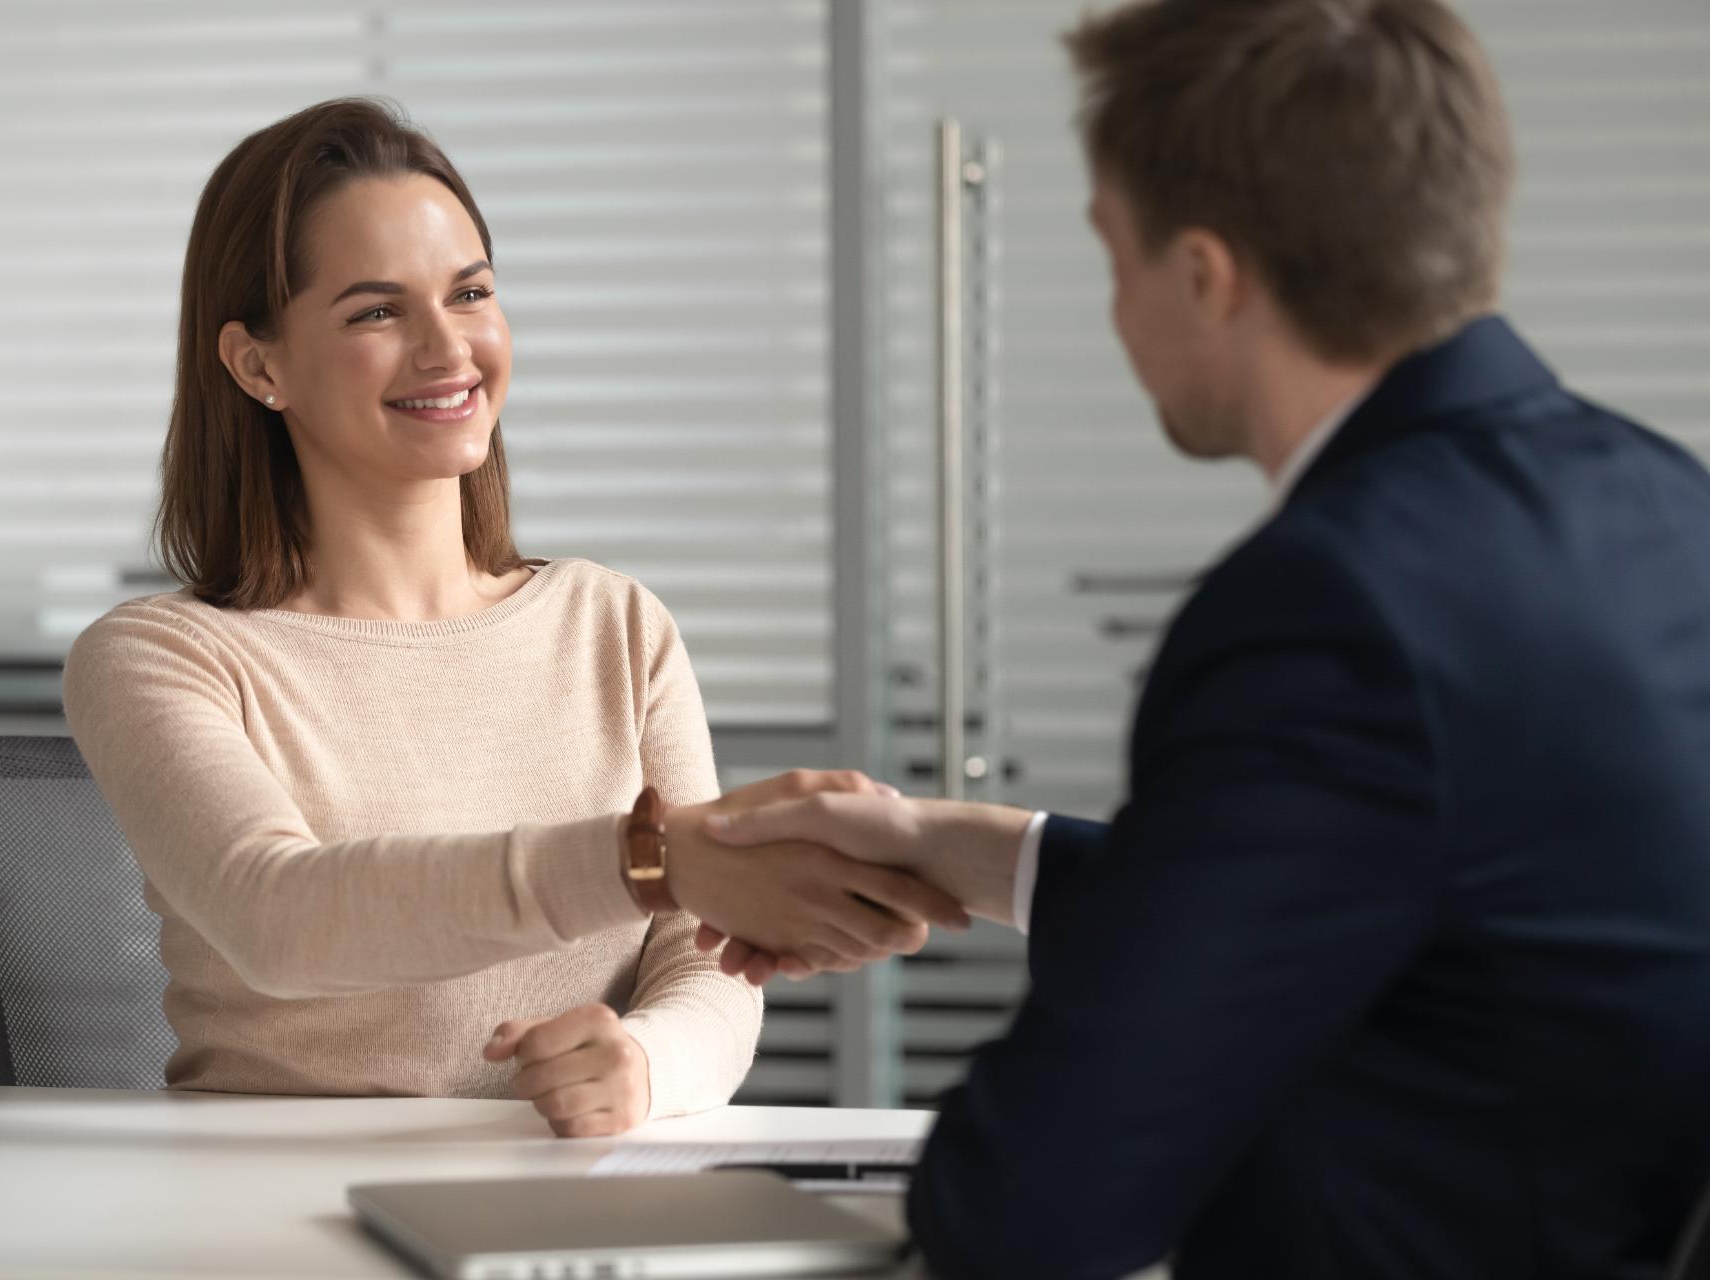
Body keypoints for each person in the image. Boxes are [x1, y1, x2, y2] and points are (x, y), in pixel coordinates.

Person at [695, 0, 1710, 1274]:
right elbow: (1407, 892)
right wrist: (960, 849)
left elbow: (1031, 1206)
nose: (1116, 308)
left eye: (1112, 253)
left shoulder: (1331, 606)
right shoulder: (1665, 504)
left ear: (1203, 275)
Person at [62, 98, 964, 1137]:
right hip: (266, 1207)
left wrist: (644, 1061)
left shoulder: (614, 626)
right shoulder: (160, 658)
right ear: (258, 364)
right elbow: (279, 913)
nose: (450, 348)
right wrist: (647, 858)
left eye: (472, 292)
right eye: (375, 311)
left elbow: (702, 960)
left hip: (559, 1198)